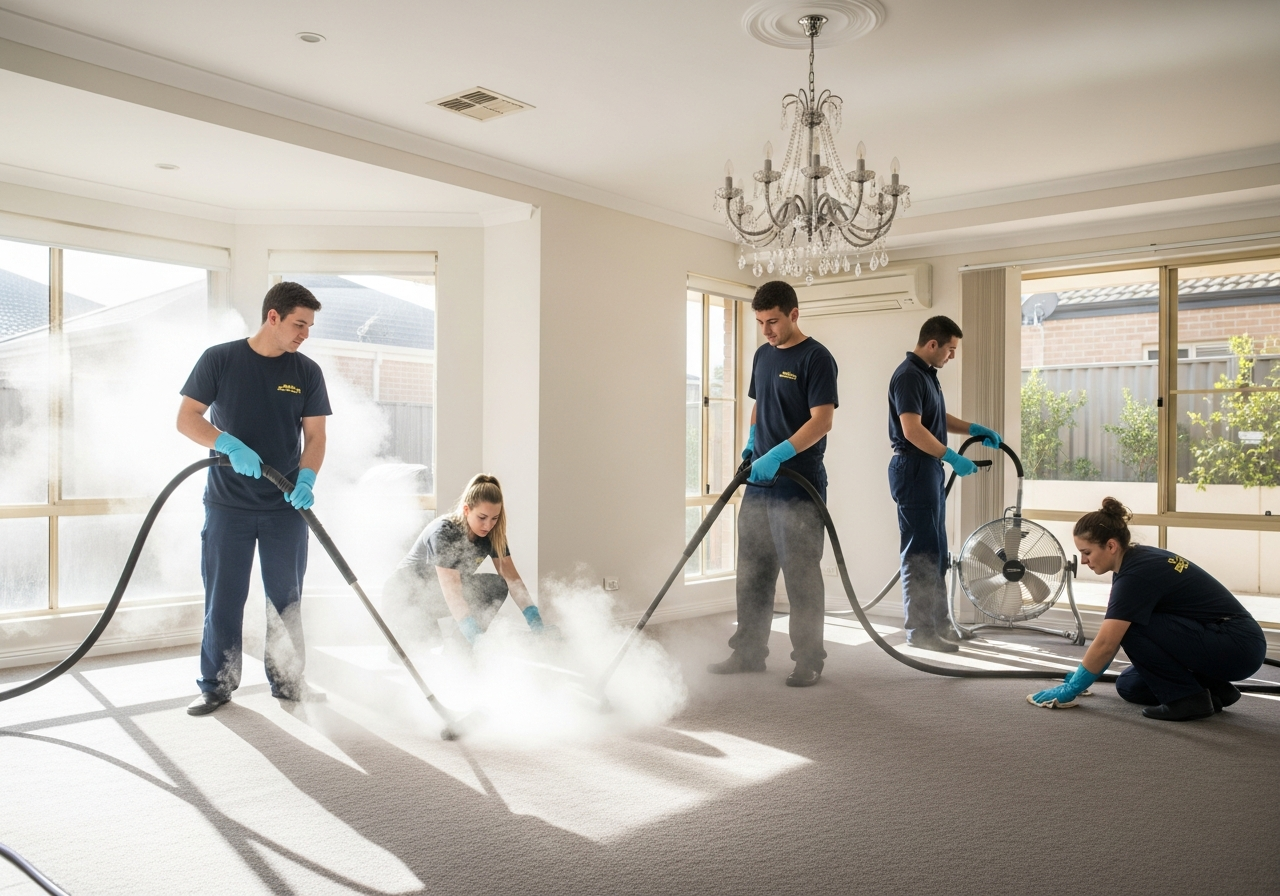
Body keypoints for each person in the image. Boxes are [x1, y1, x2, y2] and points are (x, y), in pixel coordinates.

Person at [177, 281, 331, 715]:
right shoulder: (220, 359)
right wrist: (227, 443)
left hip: (286, 507)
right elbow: (187, 418)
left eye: (310, 326)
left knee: (286, 599)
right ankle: (216, 685)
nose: (305, 333)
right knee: (224, 597)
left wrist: (307, 477)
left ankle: (287, 681)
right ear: (273, 317)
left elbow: (316, 435)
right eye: (299, 324)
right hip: (228, 505)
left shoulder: (305, 372)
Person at [707, 280, 838, 687]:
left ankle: (809, 660)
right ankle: (748, 652)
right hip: (760, 481)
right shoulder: (763, 355)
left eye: (773, 321)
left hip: (799, 484)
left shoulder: (817, 358)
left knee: (801, 575)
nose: (766, 330)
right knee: (752, 571)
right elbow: (760, 406)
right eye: (761, 321)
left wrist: (780, 453)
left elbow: (822, 420)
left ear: (794, 314)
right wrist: (751, 446)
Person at [1028, 498, 1267, 721]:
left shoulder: (1136, 575)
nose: (1083, 561)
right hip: (1222, 641)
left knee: (1130, 627)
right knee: (1129, 685)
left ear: (1111, 545)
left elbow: (1107, 642)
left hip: (1236, 645)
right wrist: (1084, 673)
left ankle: (1189, 700)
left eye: (1086, 552)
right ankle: (1216, 689)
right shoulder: (1134, 561)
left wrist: (1073, 687)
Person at [887, 315, 1002, 652]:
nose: (952, 356)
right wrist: (951, 456)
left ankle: (941, 625)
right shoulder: (908, 376)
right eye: (950, 349)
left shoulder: (927, 376)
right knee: (920, 553)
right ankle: (919, 632)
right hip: (913, 468)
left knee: (937, 552)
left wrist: (974, 428)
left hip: (928, 467)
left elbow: (936, 419)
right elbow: (912, 430)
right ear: (932, 344)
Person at [382, 474, 545, 648]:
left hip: (435, 594)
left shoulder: (492, 535)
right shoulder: (444, 532)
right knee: (421, 649)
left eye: (494, 518)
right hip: (405, 597)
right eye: (482, 518)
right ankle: (458, 641)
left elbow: (512, 579)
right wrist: (474, 635)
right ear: (467, 510)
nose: (488, 525)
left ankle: (462, 649)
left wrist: (535, 620)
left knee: (497, 584)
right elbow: (452, 592)